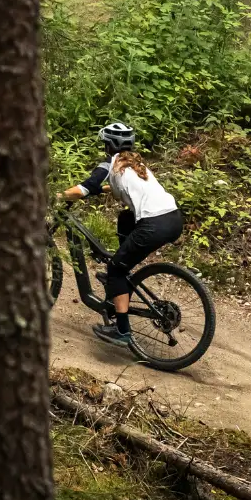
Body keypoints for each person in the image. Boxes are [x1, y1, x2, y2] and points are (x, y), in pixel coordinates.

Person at [62, 122, 184, 352]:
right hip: (173, 218)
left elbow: (84, 188)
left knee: (116, 270)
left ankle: (122, 331)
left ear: (109, 145)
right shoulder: (137, 164)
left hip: (153, 224)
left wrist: (57, 195)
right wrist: (101, 189)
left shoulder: (110, 164)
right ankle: (121, 273)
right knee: (125, 218)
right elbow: (119, 187)